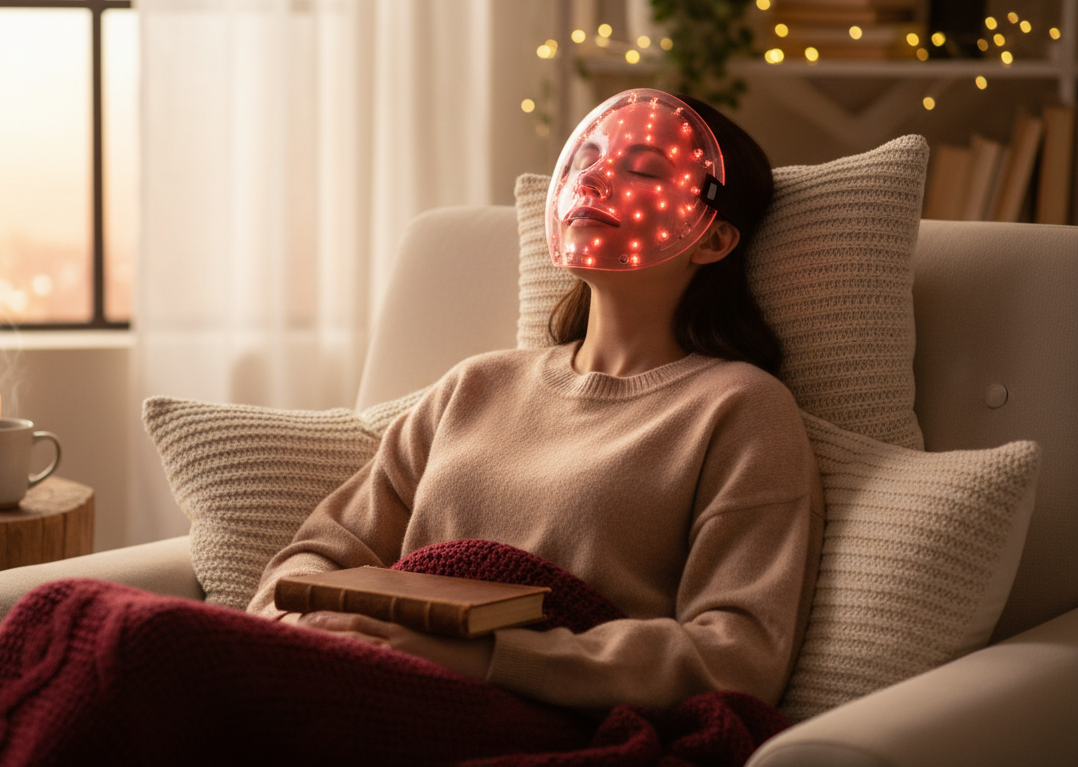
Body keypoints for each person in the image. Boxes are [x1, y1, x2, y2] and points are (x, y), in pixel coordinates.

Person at [248, 89, 825, 713]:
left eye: (644, 169)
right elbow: (316, 555)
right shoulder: (475, 385)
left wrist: (482, 656)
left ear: (711, 240)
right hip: (356, 682)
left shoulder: (740, 409)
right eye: (588, 159)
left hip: (525, 713)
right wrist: (304, 630)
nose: (594, 180)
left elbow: (739, 654)